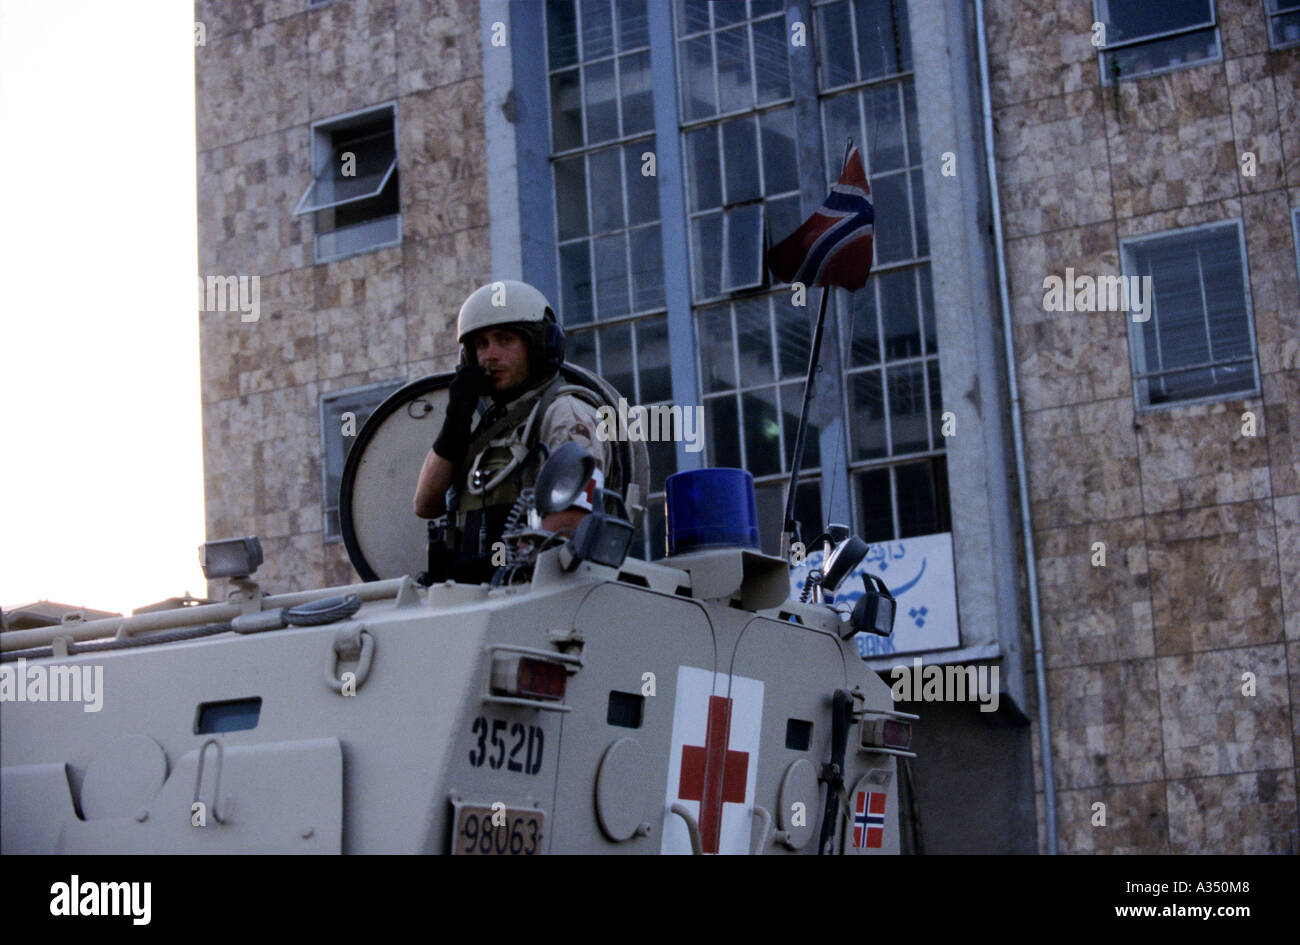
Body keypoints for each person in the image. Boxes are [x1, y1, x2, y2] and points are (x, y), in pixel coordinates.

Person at [413, 280, 613, 583]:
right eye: (480, 344)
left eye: (504, 340)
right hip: (474, 598)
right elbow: (425, 504)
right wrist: (455, 423)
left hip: (531, 595)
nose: (489, 355)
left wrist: (511, 567)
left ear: (538, 346)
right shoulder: (487, 428)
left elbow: (573, 519)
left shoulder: (564, 413)